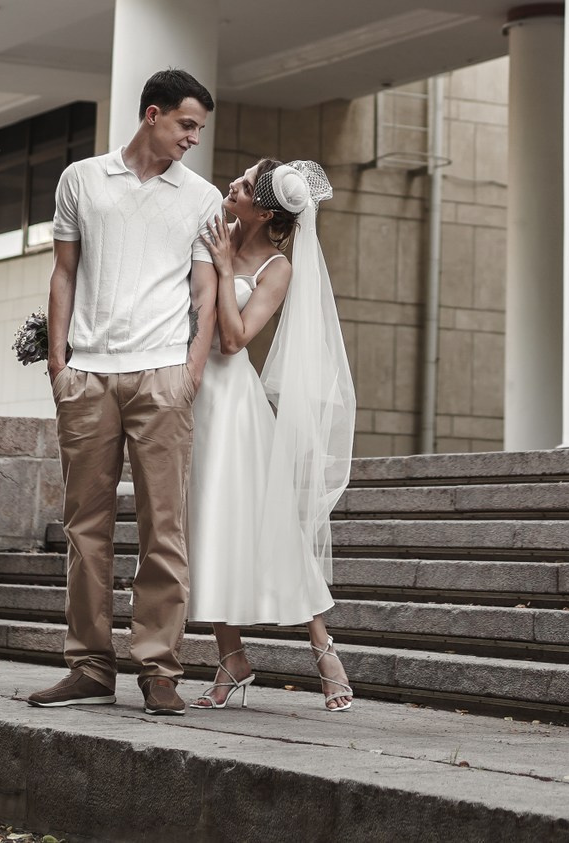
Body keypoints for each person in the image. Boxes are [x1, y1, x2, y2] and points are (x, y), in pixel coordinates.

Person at [26, 68, 221, 716]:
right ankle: (88, 664)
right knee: (87, 528)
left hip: (162, 374)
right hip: (89, 375)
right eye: (187, 124)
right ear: (153, 114)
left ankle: (159, 667)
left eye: (199, 127)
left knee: (166, 527)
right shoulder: (82, 179)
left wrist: (190, 369)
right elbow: (64, 271)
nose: (194, 137)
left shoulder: (201, 197)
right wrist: (59, 364)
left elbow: (204, 289)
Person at [185, 157, 357, 713]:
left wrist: (217, 265)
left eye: (242, 184)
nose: (230, 184)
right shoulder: (208, 228)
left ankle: (324, 651)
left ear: (263, 208)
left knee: (271, 528)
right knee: (202, 525)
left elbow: (235, 343)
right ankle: (231, 659)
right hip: (189, 396)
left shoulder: (277, 268)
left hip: (234, 403)